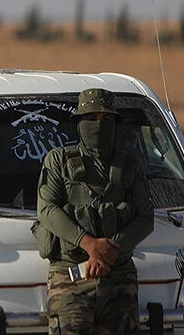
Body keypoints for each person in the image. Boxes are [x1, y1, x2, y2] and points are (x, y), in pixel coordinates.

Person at [36, 88, 154, 335]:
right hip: (70, 279)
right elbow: (47, 209)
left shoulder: (130, 165)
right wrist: (88, 244)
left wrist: (108, 251)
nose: (99, 125)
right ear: (79, 122)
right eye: (91, 118)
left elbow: (145, 218)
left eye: (107, 120)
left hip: (119, 279)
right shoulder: (58, 161)